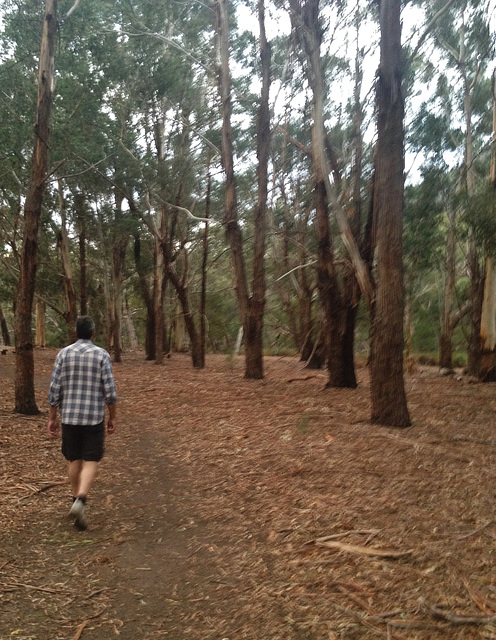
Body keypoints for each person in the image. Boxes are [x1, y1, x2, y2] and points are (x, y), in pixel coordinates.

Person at [48, 316, 117, 530]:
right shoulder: (101, 355)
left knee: (74, 459)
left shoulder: (63, 354)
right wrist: (113, 416)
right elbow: (110, 391)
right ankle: (81, 500)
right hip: (93, 417)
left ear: (76, 332)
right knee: (91, 458)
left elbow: (54, 390)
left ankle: (75, 501)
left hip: (69, 416)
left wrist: (52, 418)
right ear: (93, 332)